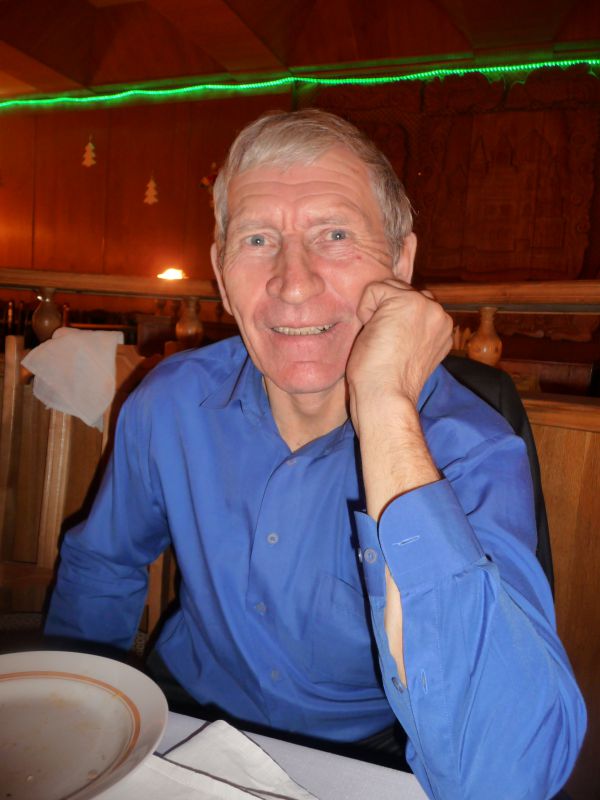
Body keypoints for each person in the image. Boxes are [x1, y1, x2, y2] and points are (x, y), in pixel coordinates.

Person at [45, 109, 586, 799]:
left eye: (334, 235)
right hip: (183, 715)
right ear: (221, 275)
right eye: (258, 239)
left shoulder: (467, 448)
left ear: (400, 264)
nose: (292, 281)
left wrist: (385, 406)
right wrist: (74, 723)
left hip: (369, 753)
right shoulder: (169, 401)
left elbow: (506, 776)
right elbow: (105, 564)